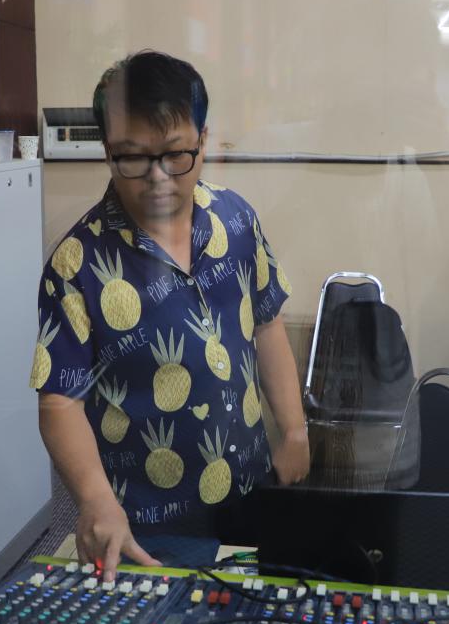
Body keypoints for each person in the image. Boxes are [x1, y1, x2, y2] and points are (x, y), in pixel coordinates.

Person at [30, 50, 310, 580]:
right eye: (132, 158)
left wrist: (294, 430)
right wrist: (94, 499)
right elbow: (60, 400)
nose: (157, 177)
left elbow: (267, 324)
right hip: (145, 517)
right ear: (107, 151)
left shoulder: (237, 219)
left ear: (203, 139)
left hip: (253, 482)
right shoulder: (76, 264)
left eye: (176, 154)